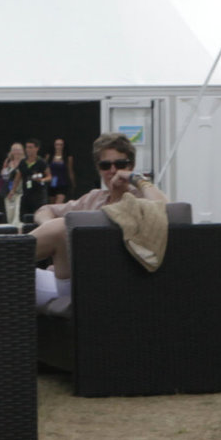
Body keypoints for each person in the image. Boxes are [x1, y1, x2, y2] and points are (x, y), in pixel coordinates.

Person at [29, 131, 167, 308]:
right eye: (105, 165)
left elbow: (167, 209)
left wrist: (135, 179)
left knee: (61, 228)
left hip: (91, 283)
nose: (113, 171)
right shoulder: (94, 198)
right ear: (98, 168)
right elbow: (45, 209)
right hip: (58, 276)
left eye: (120, 164)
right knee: (2, 279)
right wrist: (48, 225)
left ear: (131, 165)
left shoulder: (139, 199)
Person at [14, 137, 50, 221]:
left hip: (38, 195)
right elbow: (18, 177)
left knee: (38, 216)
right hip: (26, 194)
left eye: (31, 147)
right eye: (27, 147)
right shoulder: (23, 162)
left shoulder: (41, 162)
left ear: (37, 148)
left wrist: (42, 180)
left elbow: (49, 176)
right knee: (24, 217)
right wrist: (13, 190)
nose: (28, 150)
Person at [0, 141, 24, 223]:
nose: (16, 152)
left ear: (22, 151)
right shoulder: (8, 162)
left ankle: (18, 231)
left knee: (17, 213)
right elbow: (3, 175)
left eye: (18, 149)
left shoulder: (24, 162)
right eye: (14, 149)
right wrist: (4, 170)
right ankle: (12, 231)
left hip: (20, 191)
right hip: (8, 191)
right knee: (10, 214)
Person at [46, 137, 76, 203]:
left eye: (61, 145)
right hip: (52, 182)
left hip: (62, 182)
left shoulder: (68, 157)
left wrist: (73, 183)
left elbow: (70, 170)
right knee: (52, 204)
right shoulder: (49, 156)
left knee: (58, 203)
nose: (58, 147)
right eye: (57, 144)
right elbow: (45, 168)